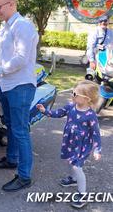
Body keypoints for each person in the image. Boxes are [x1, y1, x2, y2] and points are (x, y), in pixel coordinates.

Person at [0, 0, 38, 192]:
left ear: (11, 4)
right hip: (6, 85)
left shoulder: (23, 26)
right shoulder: (5, 27)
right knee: (11, 126)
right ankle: (12, 159)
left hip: (20, 86)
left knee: (21, 131)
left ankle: (24, 176)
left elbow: (21, 59)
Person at [37, 80, 101, 208]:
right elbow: (58, 113)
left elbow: (96, 134)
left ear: (87, 99)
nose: (72, 95)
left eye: (75, 94)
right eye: (73, 92)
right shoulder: (71, 106)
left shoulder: (90, 115)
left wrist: (97, 150)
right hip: (70, 140)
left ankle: (82, 195)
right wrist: (45, 111)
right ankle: (73, 179)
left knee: (77, 167)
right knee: (70, 161)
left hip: (82, 146)